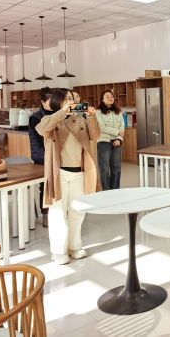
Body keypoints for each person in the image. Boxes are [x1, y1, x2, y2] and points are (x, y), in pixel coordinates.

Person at [36, 88, 101, 264]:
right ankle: (58, 251)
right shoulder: (50, 119)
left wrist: (92, 116)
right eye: (66, 99)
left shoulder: (81, 119)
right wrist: (62, 112)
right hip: (60, 174)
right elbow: (41, 129)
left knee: (78, 212)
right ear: (58, 101)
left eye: (72, 98)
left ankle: (75, 246)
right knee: (58, 213)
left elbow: (95, 135)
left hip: (79, 172)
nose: (71, 101)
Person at [28, 87, 52, 227]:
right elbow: (42, 139)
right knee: (45, 186)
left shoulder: (56, 114)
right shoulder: (35, 117)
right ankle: (46, 214)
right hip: (42, 157)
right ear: (42, 102)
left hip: (54, 155)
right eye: (49, 100)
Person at [95, 90, 124, 190]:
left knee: (116, 168)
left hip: (117, 141)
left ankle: (115, 190)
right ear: (102, 99)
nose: (110, 98)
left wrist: (119, 139)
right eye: (107, 96)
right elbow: (102, 127)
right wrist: (118, 132)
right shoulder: (98, 112)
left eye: (111, 96)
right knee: (104, 168)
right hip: (103, 142)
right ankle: (106, 191)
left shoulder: (118, 111)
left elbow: (122, 127)